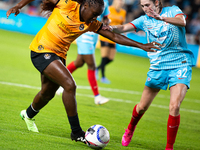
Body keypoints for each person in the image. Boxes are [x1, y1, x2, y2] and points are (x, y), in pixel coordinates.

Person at [6, 0, 159, 144]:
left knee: (47, 93)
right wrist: (19, 6)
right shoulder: (67, 5)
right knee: (69, 85)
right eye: (94, 13)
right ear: (85, 5)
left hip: (59, 55)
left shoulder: (90, 23)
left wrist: (142, 45)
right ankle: (76, 133)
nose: (95, 17)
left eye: (98, 15)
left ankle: (28, 114)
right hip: (41, 50)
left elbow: (113, 36)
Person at [104, 0, 195, 149]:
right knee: (142, 107)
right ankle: (130, 129)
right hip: (158, 67)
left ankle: (169, 147)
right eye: (143, 6)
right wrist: (111, 27)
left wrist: (162, 18)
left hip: (180, 64)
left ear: (157, 2)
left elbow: (182, 21)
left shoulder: (172, 10)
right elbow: (123, 27)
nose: (145, 9)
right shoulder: (144, 20)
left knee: (174, 106)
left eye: (148, 5)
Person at [56, 0, 110, 105]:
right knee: (92, 65)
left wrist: (107, 23)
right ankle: (97, 97)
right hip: (85, 35)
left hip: (94, 36)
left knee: (79, 62)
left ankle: (58, 82)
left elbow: (105, 17)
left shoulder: (105, 2)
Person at [96, 0, 126, 84]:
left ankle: (97, 69)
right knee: (104, 57)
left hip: (114, 38)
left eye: (121, 1)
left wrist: (124, 33)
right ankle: (103, 77)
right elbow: (103, 20)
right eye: (119, 1)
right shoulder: (109, 9)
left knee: (111, 59)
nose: (120, 2)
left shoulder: (123, 12)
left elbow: (122, 25)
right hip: (105, 36)